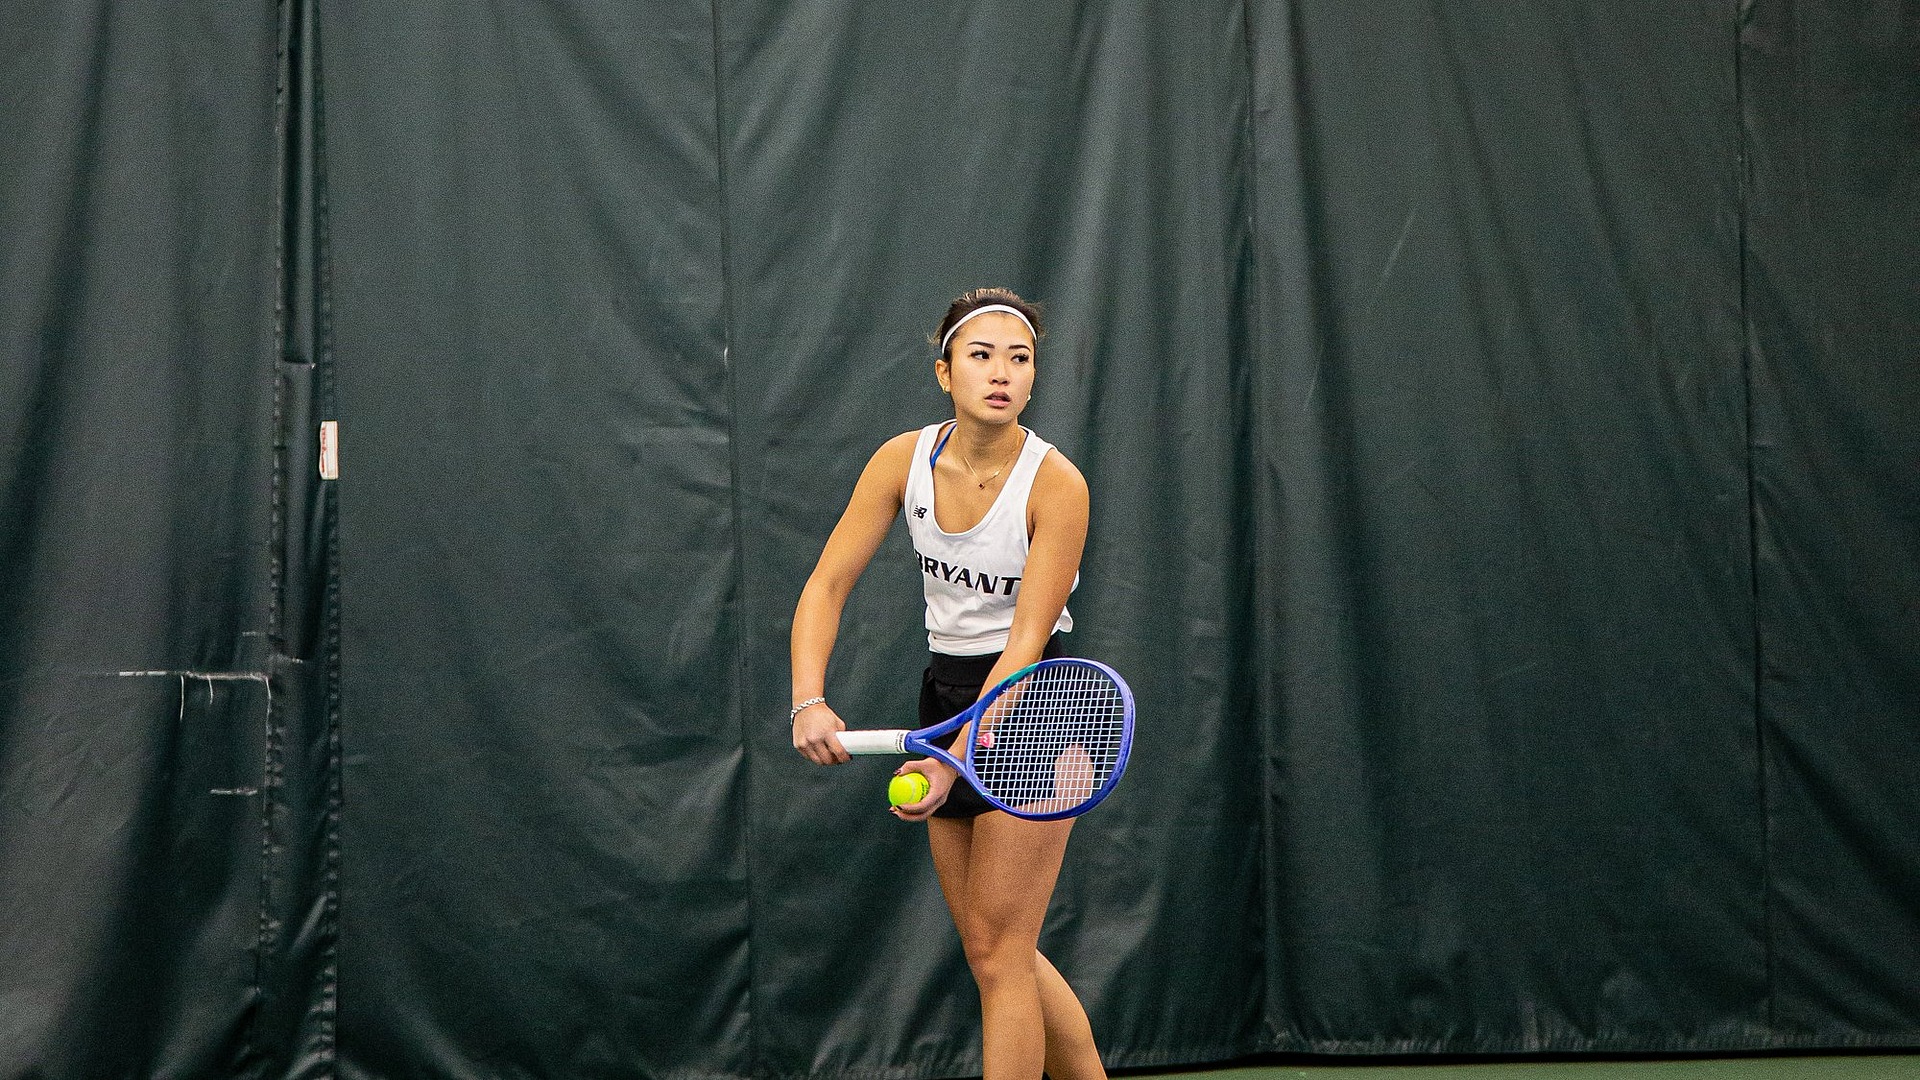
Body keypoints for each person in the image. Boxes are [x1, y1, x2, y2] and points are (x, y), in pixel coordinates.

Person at [789, 287, 1105, 1080]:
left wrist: (952, 756)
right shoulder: (903, 461)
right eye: (981, 355)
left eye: (1020, 359)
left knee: (1001, 956)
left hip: (1035, 705)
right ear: (944, 373)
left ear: (1034, 381)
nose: (1001, 372)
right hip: (946, 696)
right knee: (995, 950)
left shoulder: (1057, 485)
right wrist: (808, 697)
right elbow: (826, 585)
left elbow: (1027, 642)